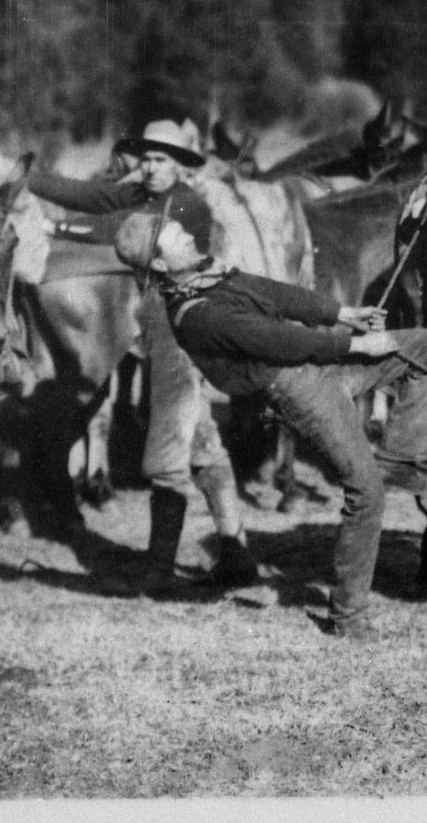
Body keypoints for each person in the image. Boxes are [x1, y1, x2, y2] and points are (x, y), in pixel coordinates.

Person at [114, 210, 427, 641]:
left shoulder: (206, 275)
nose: (187, 235)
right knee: (367, 491)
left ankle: (400, 459)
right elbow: (278, 340)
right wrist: (358, 343)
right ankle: (348, 616)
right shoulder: (194, 314)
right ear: (161, 264)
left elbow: (272, 293)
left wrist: (342, 313)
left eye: (180, 229)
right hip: (298, 388)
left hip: (320, 362)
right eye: (175, 236)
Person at [27, 118, 256, 593]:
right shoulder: (143, 193)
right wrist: (26, 177)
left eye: (159, 160)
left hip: (183, 330)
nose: (149, 168)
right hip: (159, 325)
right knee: (200, 437)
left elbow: (122, 233)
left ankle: (159, 568)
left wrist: (57, 226)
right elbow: (91, 197)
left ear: (179, 165)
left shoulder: (189, 207)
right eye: (146, 159)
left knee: (170, 443)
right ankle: (235, 551)